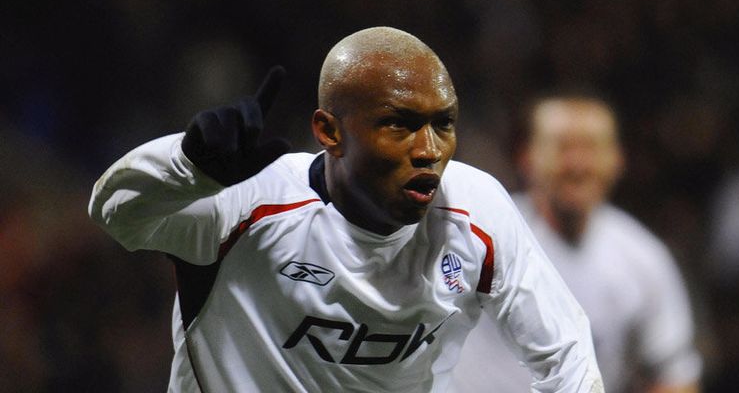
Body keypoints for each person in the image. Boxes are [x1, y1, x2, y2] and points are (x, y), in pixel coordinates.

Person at [88, 27, 603, 392]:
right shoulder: (247, 202)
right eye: (399, 124)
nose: (428, 149)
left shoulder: (476, 212)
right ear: (329, 131)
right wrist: (186, 167)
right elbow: (116, 215)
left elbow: (567, 353)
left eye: (443, 124)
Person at [451, 94, 702, 392]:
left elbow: (674, 373)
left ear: (617, 159)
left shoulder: (642, 258)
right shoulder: (479, 234)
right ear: (527, 156)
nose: (578, 165)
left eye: (592, 148)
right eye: (563, 147)